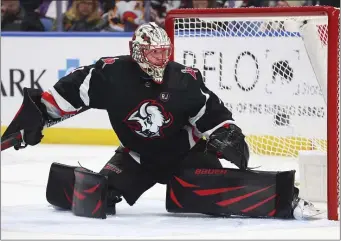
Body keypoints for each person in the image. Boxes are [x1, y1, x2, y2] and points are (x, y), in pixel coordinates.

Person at [3, 22, 322, 220]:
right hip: (137, 156)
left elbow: (211, 113)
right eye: (153, 52)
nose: (160, 58)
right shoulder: (108, 74)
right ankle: (76, 187)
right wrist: (38, 117)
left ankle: (283, 199)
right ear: (137, 51)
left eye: (164, 51)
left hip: (187, 154)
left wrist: (228, 134)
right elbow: (66, 96)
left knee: (213, 192)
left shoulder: (183, 79)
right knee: (97, 195)